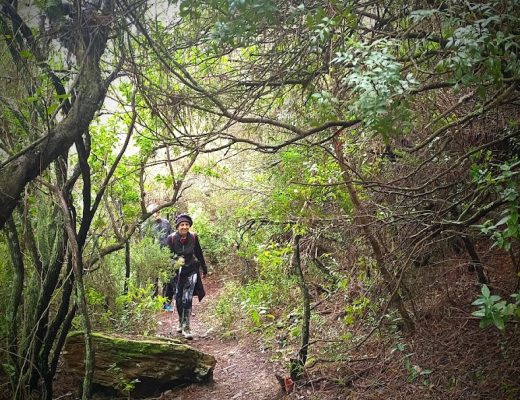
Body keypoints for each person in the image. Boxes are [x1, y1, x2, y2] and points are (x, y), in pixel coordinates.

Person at [166, 213, 207, 339]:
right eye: (182, 225)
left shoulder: (194, 237)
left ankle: (186, 326)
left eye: (187, 224)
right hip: (176, 273)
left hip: (191, 270)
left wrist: (204, 269)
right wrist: (175, 261)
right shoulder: (171, 238)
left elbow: (198, 253)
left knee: (187, 298)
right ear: (178, 226)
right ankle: (180, 320)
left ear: (189, 226)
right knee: (178, 298)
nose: (184, 227)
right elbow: (166, 256)